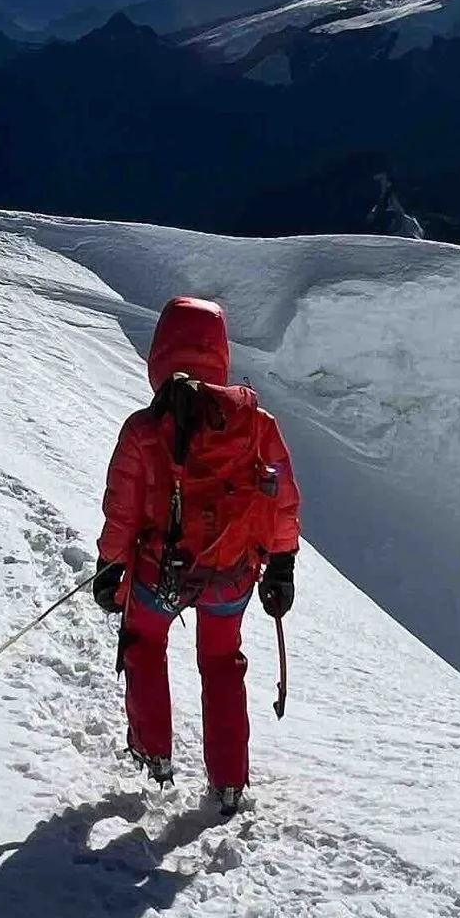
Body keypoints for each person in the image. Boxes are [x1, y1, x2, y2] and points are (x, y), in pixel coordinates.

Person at [93, 294, 301, 815]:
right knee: (221, 664)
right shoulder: (257, 423)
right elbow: (281, 497)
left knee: (143, 644)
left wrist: (110, 567)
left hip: (160, 574)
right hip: (232, 572)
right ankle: (228, 783)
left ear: (160, 354)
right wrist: (281, 565)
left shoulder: (144, 430)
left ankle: (152, 753)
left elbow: (122, 511)